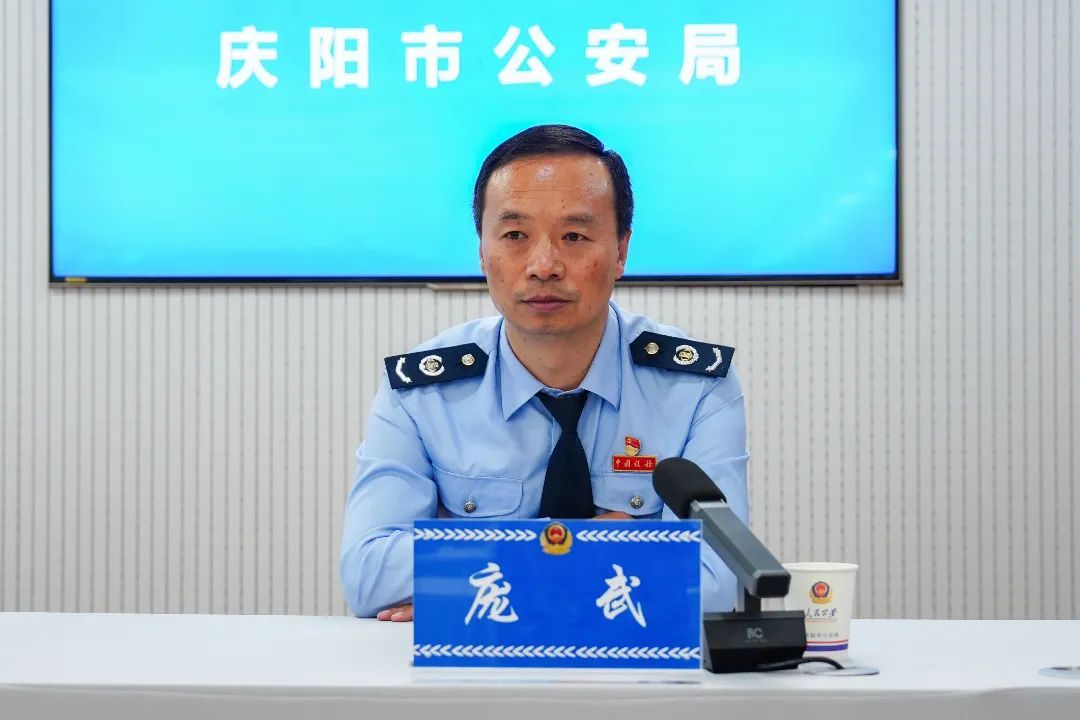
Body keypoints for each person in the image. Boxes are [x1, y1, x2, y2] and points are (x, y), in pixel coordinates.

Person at [341, 124, 748, 621]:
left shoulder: (697, 388)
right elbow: (368, 575)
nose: (543, 265)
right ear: (482, 250)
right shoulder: (421, 392)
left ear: (621, 250)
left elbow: (717, 581)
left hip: (632, 664)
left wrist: (465, 567)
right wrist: (583, 547)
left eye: (574, 236)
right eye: (515, 235)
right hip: (476, 667)